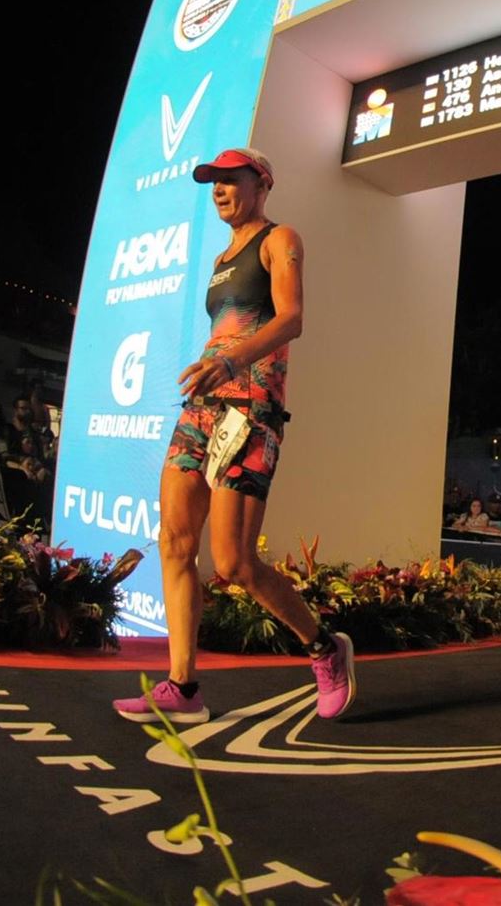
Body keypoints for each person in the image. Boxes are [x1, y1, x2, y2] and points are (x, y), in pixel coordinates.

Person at [113, 147, 354, 726]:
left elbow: (291, 318)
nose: (219, 189)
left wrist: (229, 362)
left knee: (235, 563)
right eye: (213, 182)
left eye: (229, 179)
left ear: (261, 183)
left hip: (251, 409)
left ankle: (325, 648)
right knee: (174, 542)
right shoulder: (222, 258)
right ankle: (183, 687)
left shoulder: (279, 239)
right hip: (202, 408)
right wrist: (211, 369)